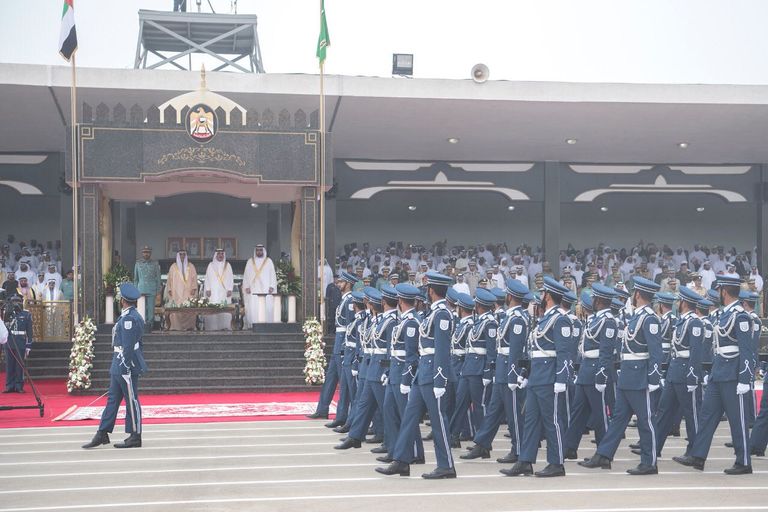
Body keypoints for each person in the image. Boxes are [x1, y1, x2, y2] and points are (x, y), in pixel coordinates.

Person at [377, 271, 457, 479]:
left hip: (433, 375)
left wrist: (440, 379)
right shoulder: (433, 313)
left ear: (431, 291)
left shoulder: (442, 314)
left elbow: (441, 350)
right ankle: (401, 460)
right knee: (409, 417)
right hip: (423, 373)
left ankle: (446, 465)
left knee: (439, 422)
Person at [580, 276, 663, 475]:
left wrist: (653, 378)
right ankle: (604, 454)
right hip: (627, 375)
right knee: (618, 419)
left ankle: (649, 462)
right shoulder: (637, 316)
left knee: (645, 420)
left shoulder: (649, 318)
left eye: (634, 292)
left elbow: (656, 351)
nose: (632, 295)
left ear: (638, 294)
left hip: (640, 377)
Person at [673, 276, 754, 474]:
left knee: (738, 420)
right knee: (707, 416)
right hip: (718, 373)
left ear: (724, 291)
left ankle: (744, 462)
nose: (717, 294)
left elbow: (747, 350)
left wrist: (745, 379)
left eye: (719, 290)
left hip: (733, 376)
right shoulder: (724, 314)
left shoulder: (740, 316)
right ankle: (698, 455)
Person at [502, 276, 571, 478]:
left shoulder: (560, 319)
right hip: (536, 378)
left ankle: (557, 463)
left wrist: (561, 379)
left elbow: (564, 353)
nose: (540, 296)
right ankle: (525, 461)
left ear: (548, 296)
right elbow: (535, 351)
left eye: (542, 293)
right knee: (530, 421)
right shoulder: (544, 319)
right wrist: (525, 374)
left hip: (549, 379)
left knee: (552, 421)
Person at [461, 279, 529, 463]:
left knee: (514, 414)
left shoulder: (518, 318)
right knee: (492, 411)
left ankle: (519, 451)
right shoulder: (509, 316)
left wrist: (513, 375)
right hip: (501, 370)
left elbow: (516, 350)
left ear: (510, 296)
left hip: (509, 371)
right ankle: (482, 444)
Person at [82, 283, 148, 449]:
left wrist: (126, 364)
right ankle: (102, 432)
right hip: (119, 363)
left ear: (123, 301)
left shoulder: (129, 318)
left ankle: (135, 435)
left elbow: (129, 345)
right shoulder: (128, 316)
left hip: (125, 364)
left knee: (131, 400)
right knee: (113, 399)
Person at [646, 287, 704, 459]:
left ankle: (695, 453)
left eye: (678, 301)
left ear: (684, 303)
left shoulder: (694, 322)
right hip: (674, 372)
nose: (676, 304)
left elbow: (696, 352)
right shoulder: (682, 321)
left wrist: (693, 376)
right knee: (664, 411)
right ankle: (654, 448)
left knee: (692, 414)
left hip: (686, 374)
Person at [562, 284, 618, 459]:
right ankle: (570, 447)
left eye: (594, 298)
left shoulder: (608, 321)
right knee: (578, 412)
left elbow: (606, 352)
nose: (592, 301)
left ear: (599, 300)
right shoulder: (595, 319)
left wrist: (601, 376)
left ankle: (603, 454)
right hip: (586, 370)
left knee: (601, 415)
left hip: (596, 373)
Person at [307, 270, 358, 421]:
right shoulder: (344, 300)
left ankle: (342, 416)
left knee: (344, 383)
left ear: (348, 284)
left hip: (343, 344)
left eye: (341, 282)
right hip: (338, 343)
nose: (338, 284)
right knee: (330, 378)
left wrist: (345, 347)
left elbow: (350, 327)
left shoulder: (350, 301)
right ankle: (322, 409)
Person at [2, 295, 33, 393]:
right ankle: (9, 386)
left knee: (20, 365)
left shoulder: (26, 314)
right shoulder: (7, 313)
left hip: (20, 342)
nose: (16, 303)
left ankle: (19, 385)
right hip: (9, 341)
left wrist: (28, 345)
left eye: (18, 301)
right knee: (9, 365)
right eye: (14, 301)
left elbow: (29, 331)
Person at [242, 244, 277, 326]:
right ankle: (254, 324)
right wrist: (246, 286)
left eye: (260, 250)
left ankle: (267, 324)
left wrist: (272, 286)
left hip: (266, 289)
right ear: (255, 251)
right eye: (257, 250)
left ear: (263, 251)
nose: (259, 252)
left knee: (266, 305)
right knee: (254, 306)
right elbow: (246, 275)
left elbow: (272, 274)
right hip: (253, 288)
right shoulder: (250, 261)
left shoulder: (268, 261)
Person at [165, 249, 198, 330]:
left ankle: (189, 327)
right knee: (176, 310)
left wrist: (194, 288)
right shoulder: (173, 266)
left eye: (184, 254)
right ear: (178, 256)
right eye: (180, 254)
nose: (182, 256)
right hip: (176, 292)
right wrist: (169, 289)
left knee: (189, 309)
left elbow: (194, 278)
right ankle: (176, 327)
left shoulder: (191, 266)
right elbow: (169, 280)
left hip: (188, 292)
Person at [203, 249, 234, 331]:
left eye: (222, 254)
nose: (220, 255)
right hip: (213, 292)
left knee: (225, 308)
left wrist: (230, 289)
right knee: (213, 308)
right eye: (219, 254)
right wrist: (208, 289)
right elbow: (207, 278)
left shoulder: (228, 265)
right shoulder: (211, 265)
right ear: (216, 255)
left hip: (224, 292)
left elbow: (231, 278)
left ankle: (224, 326)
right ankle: (212, 327)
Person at [133, 246, 162, 332]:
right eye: (144, 252)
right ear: (142, 253)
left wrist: (158, 290)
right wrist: (135, 290)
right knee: (141, 309)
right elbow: (136, 279)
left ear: (150, 253)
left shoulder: (155, 264)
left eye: (148, 252)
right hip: (141, 289)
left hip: (151, 289)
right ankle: (142, 326)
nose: (146, 254)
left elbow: (158, 278)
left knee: (151, 310)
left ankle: (150, 327)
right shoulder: (138, 264)